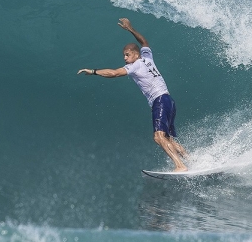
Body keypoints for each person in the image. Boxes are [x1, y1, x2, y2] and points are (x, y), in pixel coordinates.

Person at [78, 18, 188, 171]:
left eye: (127, 55)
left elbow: (114, 73)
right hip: (168, 100)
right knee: (168, 139)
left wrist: (93, 71)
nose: (125, 58)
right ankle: (191, 160)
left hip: (159, 100)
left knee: (158, 137)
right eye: (124, 55)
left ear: (135, 55)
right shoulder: (148, 57)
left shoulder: (135, 66)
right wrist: (130, 29)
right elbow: (144, 42)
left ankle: (180, 165)